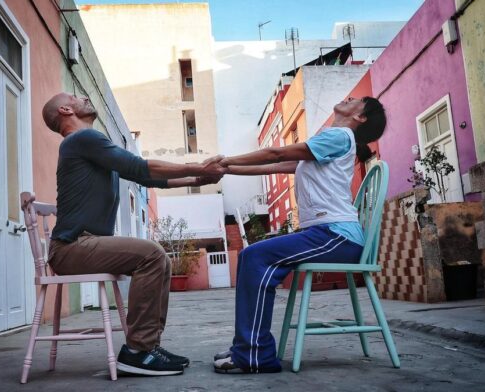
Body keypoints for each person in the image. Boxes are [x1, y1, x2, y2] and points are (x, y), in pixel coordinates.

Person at [42, 93, 224, 376]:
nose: (84, 98)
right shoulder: (82, 140)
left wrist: (198, 179)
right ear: (66, 110)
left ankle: (147, 346)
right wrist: (198, 167)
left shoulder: (87, 145)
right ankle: (137, 351)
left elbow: (145, 178)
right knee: (152, 255)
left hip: (82, 245)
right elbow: (140, 167)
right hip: (71, 247)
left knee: (156, 257)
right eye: (76, 97)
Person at [213, 96, 387, 374]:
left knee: (255, 257)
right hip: (326, 235)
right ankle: (247, 346)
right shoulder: (330, 140)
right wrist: (224, 169)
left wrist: (224, 160)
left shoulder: (340, 136)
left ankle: (254, 353)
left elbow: (276, 154)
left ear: (361, 117)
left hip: (338, 236)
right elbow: (274, 167)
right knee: (251, 256)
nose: (349, 97)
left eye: (357, 100)